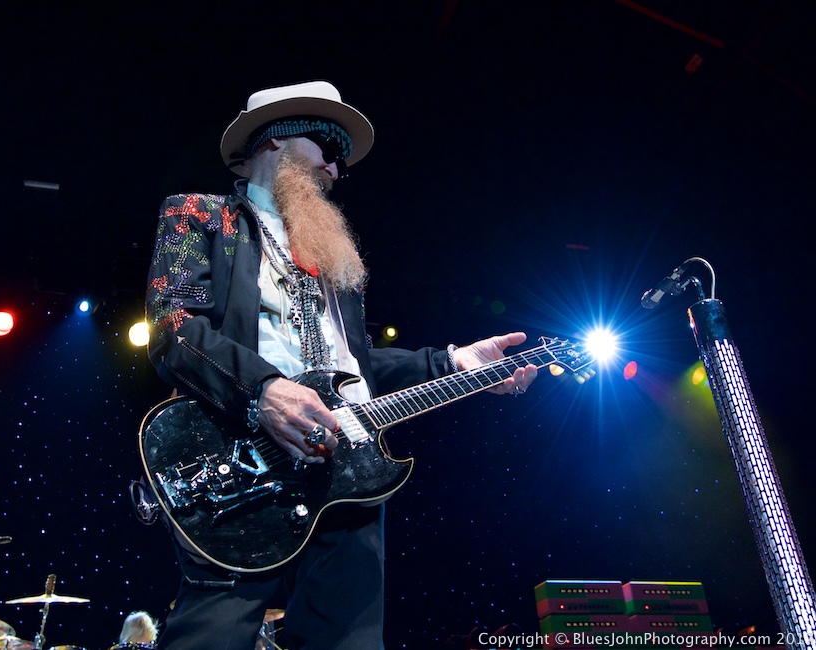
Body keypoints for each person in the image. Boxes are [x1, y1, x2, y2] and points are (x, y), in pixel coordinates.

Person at [145, 80, 538, 650]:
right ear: (275, 140)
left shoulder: (331, 257)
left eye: (342, 161)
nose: (335, 169)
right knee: (212, 636)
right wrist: (264, 391)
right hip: (239, 462)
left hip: (348, 469)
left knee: (349, 639)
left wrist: (454, 361)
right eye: (328, 148)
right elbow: (174, 329)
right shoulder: (199, 215)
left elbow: (354, 368)